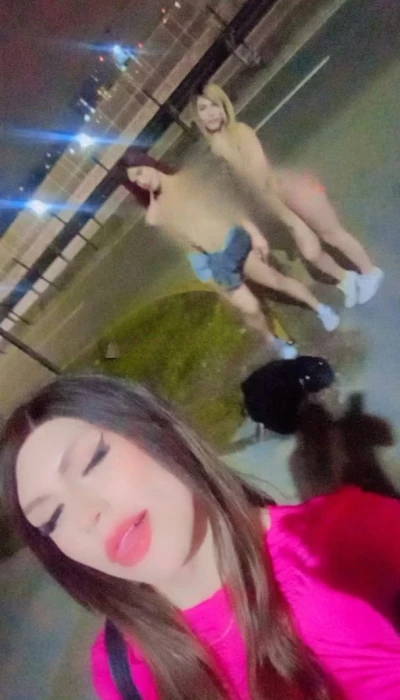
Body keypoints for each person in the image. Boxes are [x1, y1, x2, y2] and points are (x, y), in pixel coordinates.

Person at [2, 372, 400, 700]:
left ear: (158, 431)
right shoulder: (122, 669)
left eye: (93, 461)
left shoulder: (343, 541)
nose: (86, 515)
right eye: (52, 519)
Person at [126, 155, 341, 361]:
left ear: (149, 163)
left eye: (140, 172)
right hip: (215, 261)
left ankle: (321, 309)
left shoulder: (187, 179)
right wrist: (206, 275)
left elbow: (227, 206)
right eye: (136, 182)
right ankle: (272, 340)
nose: (142, 182)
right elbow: (184, 245)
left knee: (277, 280)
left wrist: (254, 233)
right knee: (250, 308)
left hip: (233, 240)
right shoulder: (156, 215)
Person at [193, 83, 384, 309]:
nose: (210, 113)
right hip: (274, 204)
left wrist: (228, 157)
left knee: (331, 234)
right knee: (311, 253)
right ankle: (348, 281)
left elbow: (259, 176)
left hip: (290, 190)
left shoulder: (240, 132)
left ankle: (370, 272)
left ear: (224, 106)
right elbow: (236, 192)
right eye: (203, 109)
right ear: (198, 116)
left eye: (214, 105)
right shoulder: (215, 149)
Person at [241, 355, 335, 437]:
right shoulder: (294, 393)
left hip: (252, 394)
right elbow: (287, 427)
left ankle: (252, 412)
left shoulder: (283, 366)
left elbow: (248, 383)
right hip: (259, 408)